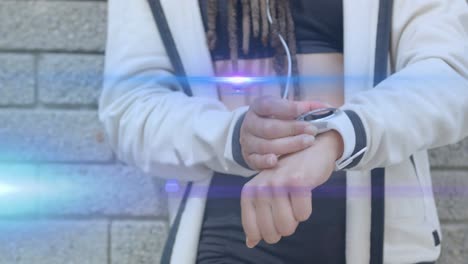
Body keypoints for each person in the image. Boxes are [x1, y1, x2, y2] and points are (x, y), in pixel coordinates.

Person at [99, 0, 468, 263]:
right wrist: (233, 135)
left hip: (378, 230)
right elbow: (130, 107)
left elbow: (452, 77)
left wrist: (339, 136)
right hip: (229, 230)